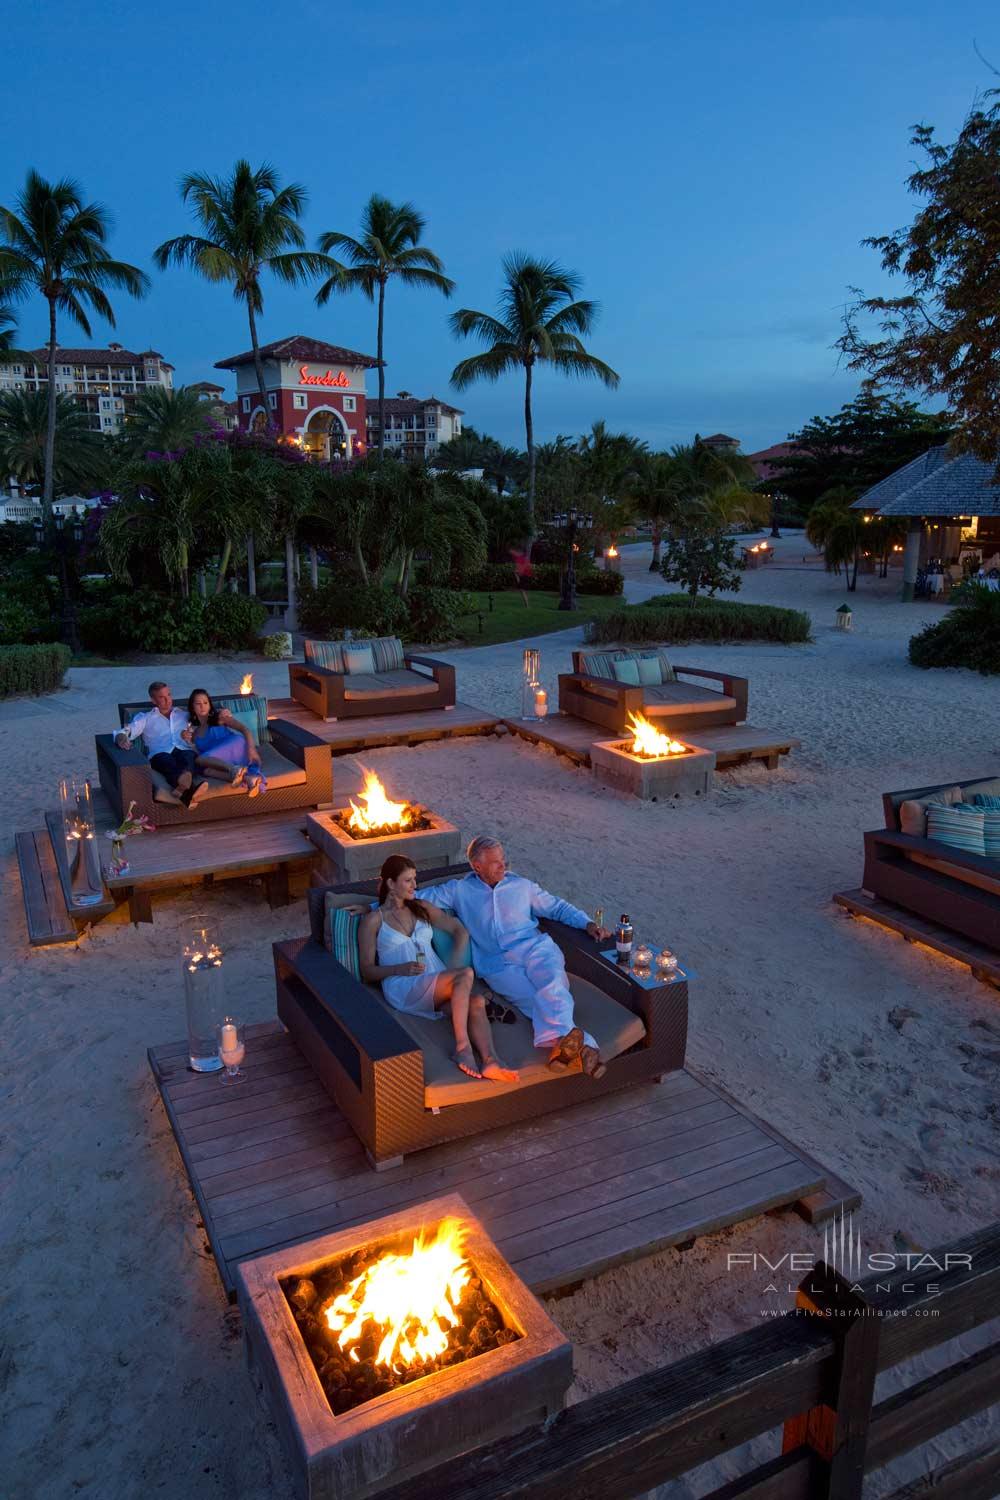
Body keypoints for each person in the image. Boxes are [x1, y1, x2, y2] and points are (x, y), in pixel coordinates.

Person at [423, 836, 612, 1078]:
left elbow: (557, 907)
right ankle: (583, 1049)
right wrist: (373, 909)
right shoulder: (458, 890)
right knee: (532, 1002)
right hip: (497, 964)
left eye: (503, 860)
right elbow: (415, 896)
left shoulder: (522, 886)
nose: (503, 866)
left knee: (552, 986)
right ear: (476, 866)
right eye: (495, 863)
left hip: (535, 948)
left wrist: (587, 923)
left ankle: (567, 1048)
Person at [358, 855, 518, 1083]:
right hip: (403, 986)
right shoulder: (374, 920)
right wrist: (398, 968)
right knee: (465, 978)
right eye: (408, 880)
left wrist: (452, 966)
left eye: (415, 879)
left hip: (436, 981)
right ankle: (462, 1049)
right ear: (391, 883)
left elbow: (458, 930)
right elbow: (367, 970)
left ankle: (491, 1060)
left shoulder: (421, 907)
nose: (415, 886)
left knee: (476, 1002)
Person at [114, 681, 208, 807]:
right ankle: (188, 784)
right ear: (153, 700)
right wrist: (121, 739)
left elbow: (205, 720)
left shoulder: (184, 715)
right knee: (166, 760)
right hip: (160, 754)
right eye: (162, 697)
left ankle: (184, 791)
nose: (168, 700)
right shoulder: (145, 718)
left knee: (188, 756)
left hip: (184, 749)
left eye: (169, 695)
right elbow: (124, 732)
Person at [185, 689, 268, 797]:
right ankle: (248, 778)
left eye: (205, 703)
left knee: (200, 759)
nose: (202, 706)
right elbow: (203, 754)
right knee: (206, 770)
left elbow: (244, 729)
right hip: (222, 759)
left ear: (210, 705)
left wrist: (251, 749)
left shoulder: (220, 717)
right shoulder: (195, 733)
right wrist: (187, 740)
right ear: (192, 707)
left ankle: (235, 770)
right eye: (198, 703)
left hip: (235, 746)